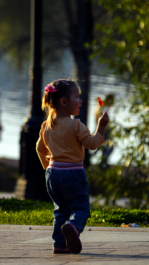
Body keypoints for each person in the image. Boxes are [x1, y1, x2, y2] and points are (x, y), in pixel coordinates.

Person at [36, 79, 109, 254]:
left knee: (60, 210)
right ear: (63, 102)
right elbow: (91, 144)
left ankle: (60, 245)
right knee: (80, 208)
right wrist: (101, 127)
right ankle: (73, 226)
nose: (80, 101)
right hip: (73, 174)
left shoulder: (46, 126)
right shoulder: (76, 125)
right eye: (76, 97)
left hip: (53, 175)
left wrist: (48, 167)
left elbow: (39, 148)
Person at [94, 94, 115, 168]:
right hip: (104, 129)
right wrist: (102, 130)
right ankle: (103, 162)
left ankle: (103, 162)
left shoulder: (102, 105)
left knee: (105, 146)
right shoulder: (104, 107)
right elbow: (100, 118)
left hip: (103, 128)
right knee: (111, 146)